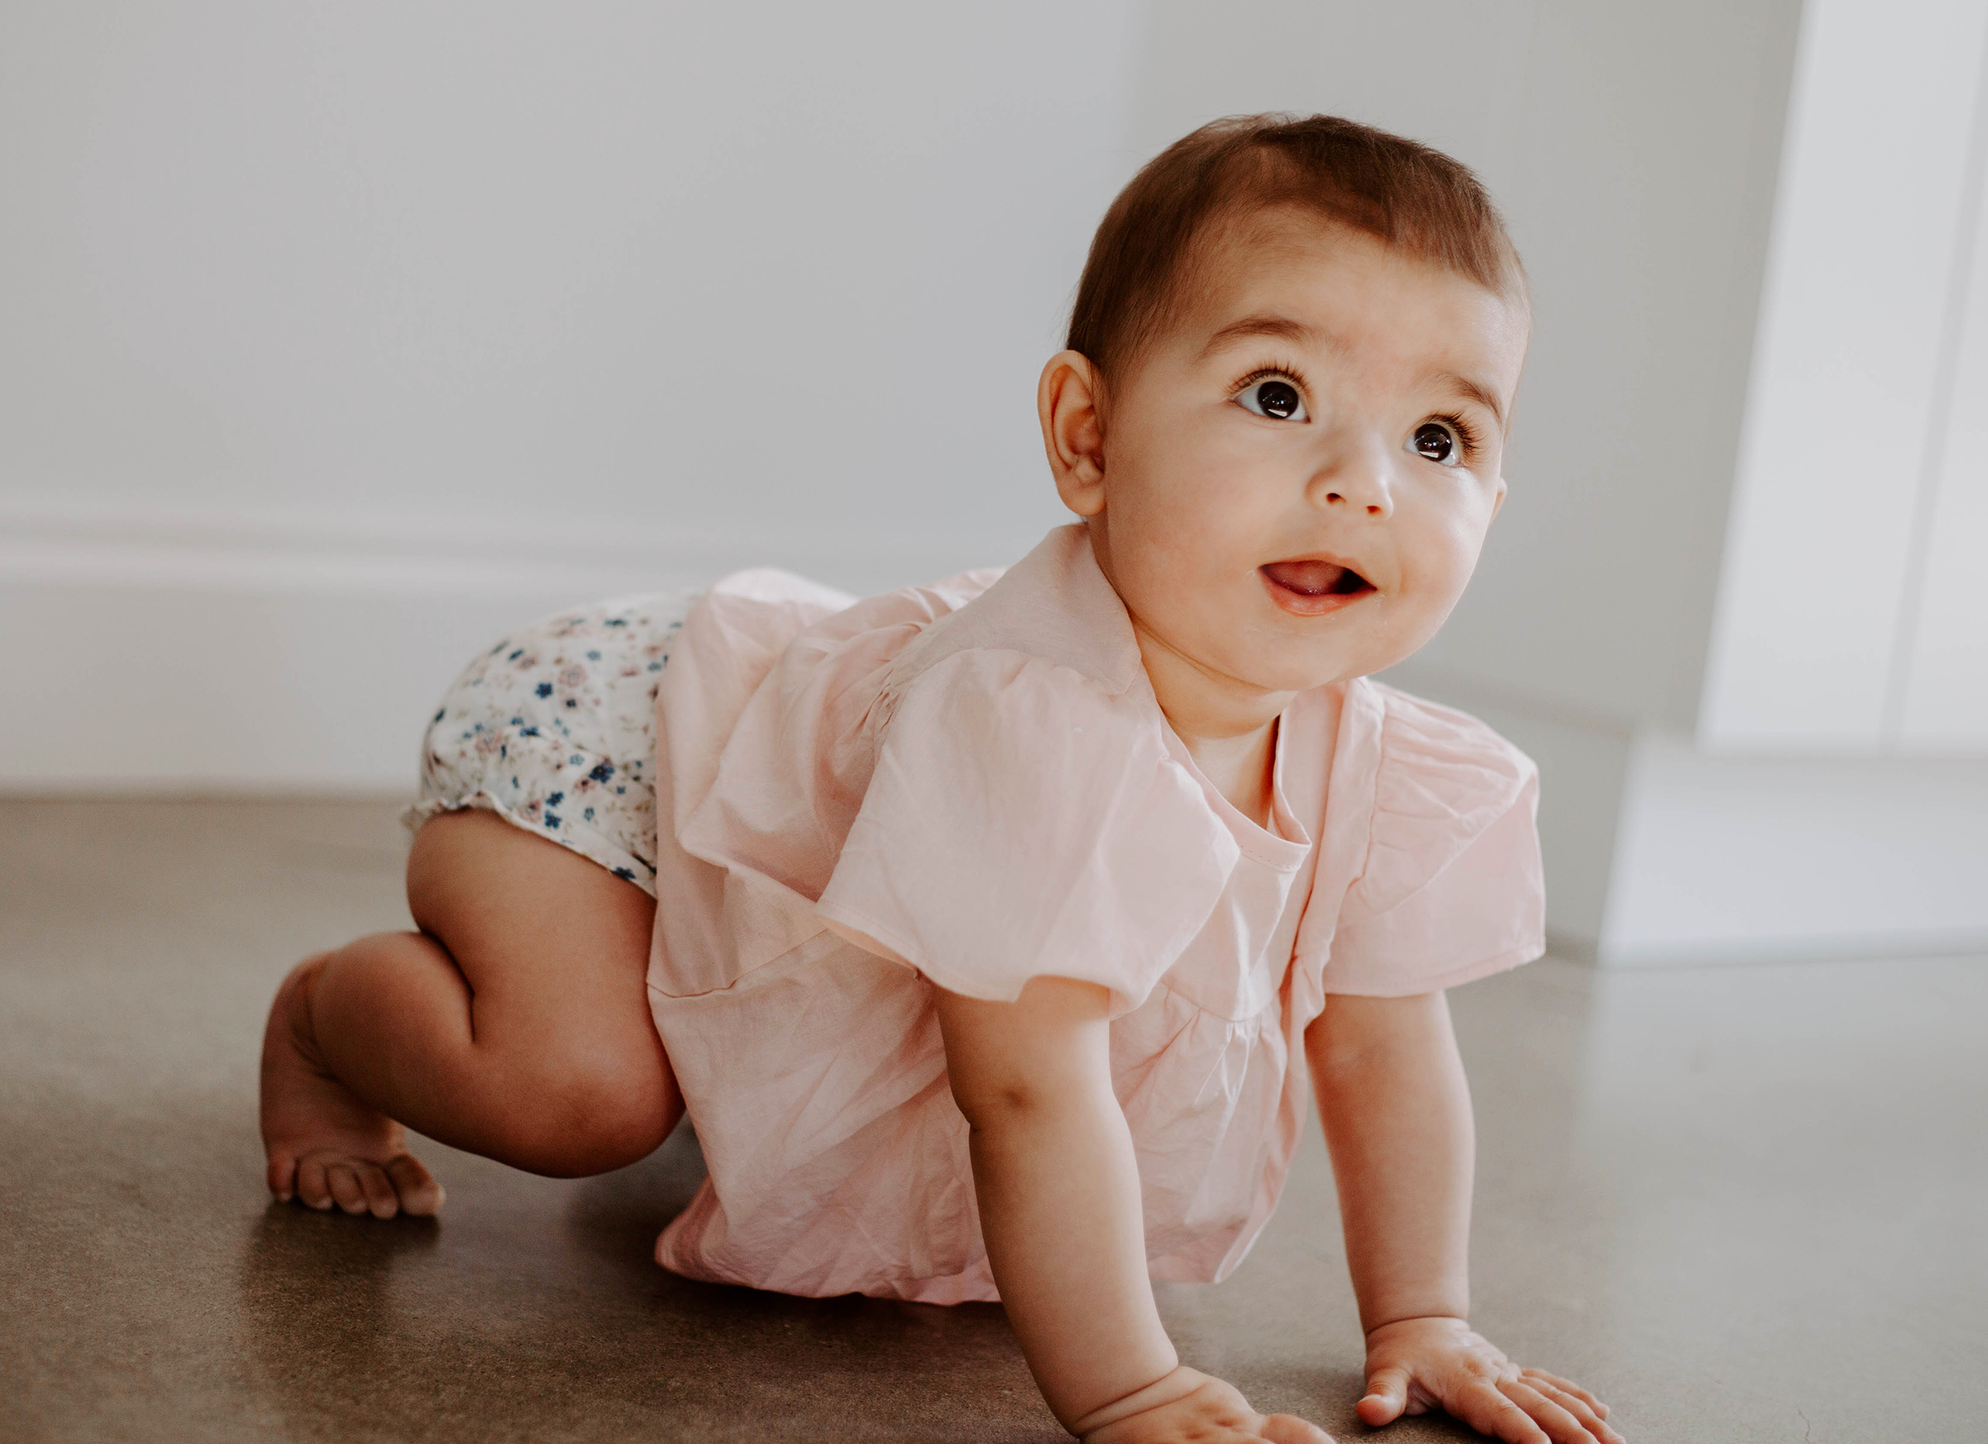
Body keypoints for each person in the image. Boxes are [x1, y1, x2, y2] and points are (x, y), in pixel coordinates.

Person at [259, 114, 1621, 1444]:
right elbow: (1026, 1089)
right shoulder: (1032, 717)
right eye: (1280, 398)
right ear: (1087, 438)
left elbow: (1386, 1054)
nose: (1363, 484)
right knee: (583, 1092)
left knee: (758, 1043)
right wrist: (1132, 1390)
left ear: (1492, 503)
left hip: (790, 748)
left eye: (1440, 438)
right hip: (624, 754)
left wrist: (1424, 1319)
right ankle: (327, 1021)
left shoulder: (1380, 764)